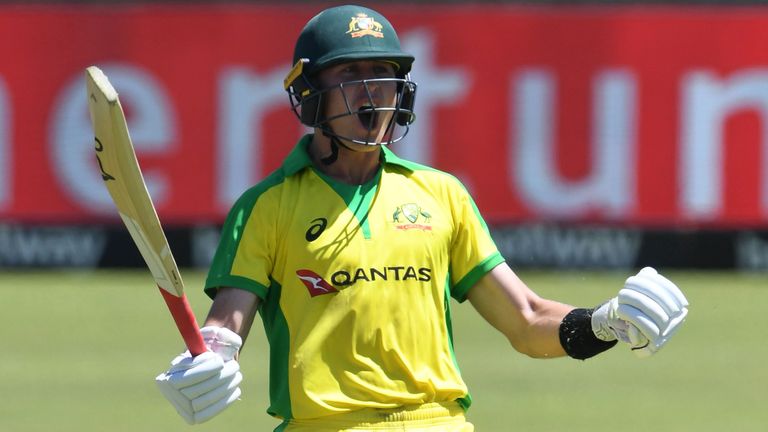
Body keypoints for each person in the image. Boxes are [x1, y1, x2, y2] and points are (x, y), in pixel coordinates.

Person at [155, 5, 689, 431]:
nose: (371, 90)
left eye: (382, 74)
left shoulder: (441, 194)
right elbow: (227, 325)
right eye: (351, 74)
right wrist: (208, 361)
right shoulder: (266, 205)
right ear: (310, 92)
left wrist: (602, 324)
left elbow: (526, 321)